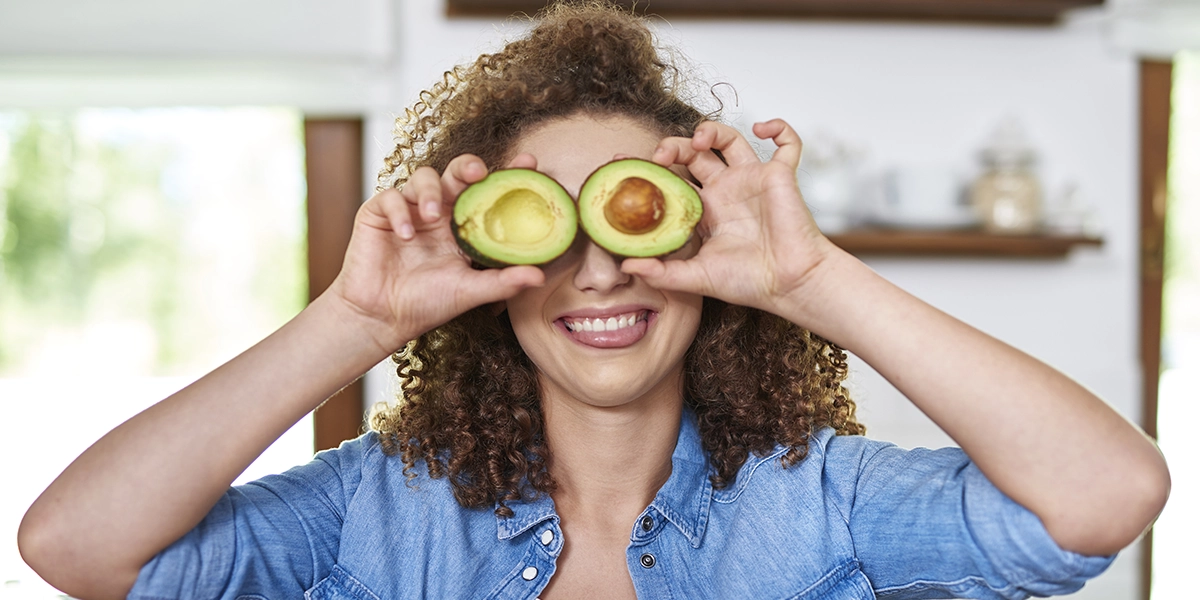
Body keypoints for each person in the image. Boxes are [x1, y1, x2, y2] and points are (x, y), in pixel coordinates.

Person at [18, 3, 1169, 599]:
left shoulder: (822, 502)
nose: (602, 270)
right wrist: (355, 325)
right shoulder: (376, 510)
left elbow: (1105, 497)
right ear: (490, 277)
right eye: (550, 229)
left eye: (628, 220)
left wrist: (815, 282)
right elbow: (78, 550)